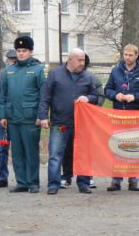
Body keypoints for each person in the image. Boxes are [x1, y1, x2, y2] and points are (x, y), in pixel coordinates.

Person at [37, 48, 102, 195]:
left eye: (83, 60)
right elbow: (45, 96)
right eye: (79, 60)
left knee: (83, 154)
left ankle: (84, 183)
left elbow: (96, 97)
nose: (82, 63)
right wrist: (43, 116)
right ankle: (53, 184)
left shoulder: (87, 77)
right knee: (55, 154)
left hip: (82, 124)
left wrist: (88, 98)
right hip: (60, 122)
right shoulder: (55, 74)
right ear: (70, 60)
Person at [103, 44, 139, 192]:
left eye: (131, 55)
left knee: (134, 148)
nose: (128, 57)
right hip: (118, 115)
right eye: (125, 55)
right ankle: (116, 180)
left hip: (136, 115)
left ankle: (133, 180)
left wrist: (135, 97)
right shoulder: (116, 71)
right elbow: (107, 89)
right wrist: (115, 95)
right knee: (118, 146)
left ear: (136, 56)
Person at [0, 35, 46, 193]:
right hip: (13, 117)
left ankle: (33, 182)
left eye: (24, 51)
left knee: (31, 151)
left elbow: (43, 95)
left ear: (31, 52)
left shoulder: (38, 70)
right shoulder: (9, 71)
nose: (21, 53)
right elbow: (3, 95)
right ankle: (21, 182)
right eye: (19, 51)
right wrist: (3, 115)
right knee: (17, 152)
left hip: (30, 117)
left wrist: (42, 115)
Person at [0, 48, 16, 187]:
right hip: (3, 117)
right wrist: (2, 115)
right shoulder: (0, 74)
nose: (11, 62)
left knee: (19, 148)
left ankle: (23, 177)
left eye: (14, 60)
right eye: (10, 59)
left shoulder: (22, 74)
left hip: (18, 116)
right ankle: (3, 177)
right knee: (3, 147)